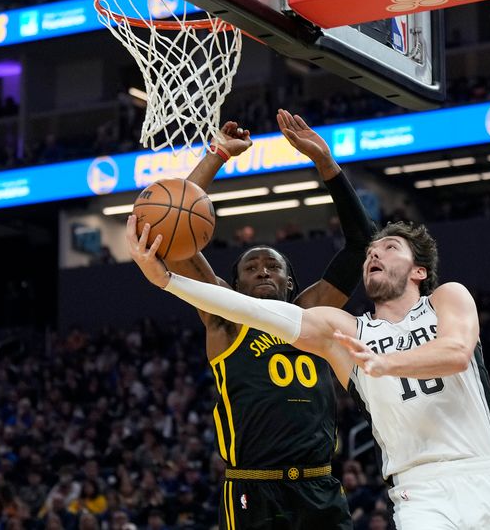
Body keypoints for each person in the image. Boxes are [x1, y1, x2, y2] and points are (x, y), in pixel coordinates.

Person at [127, 220, 490, 529]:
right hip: (417, 488)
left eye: (389, 247)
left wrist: (387, 363)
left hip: (486, 473)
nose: (374, 254)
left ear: (419, 270)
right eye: (371, 251)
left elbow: (457, 353)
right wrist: (167, 280)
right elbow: (255, 310)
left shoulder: (447, 297)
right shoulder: (350, 329)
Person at [153, 110, 376, 530]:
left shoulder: (313, 315)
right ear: (232, 287)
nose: (262, 272)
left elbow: (363, 243)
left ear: (291, 283)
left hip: (319, 485)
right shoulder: (226, 321)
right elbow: (172, 231)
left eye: (272, 267)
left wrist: (327, 165)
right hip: (253, 489)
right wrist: (216, 156)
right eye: (251, 268)